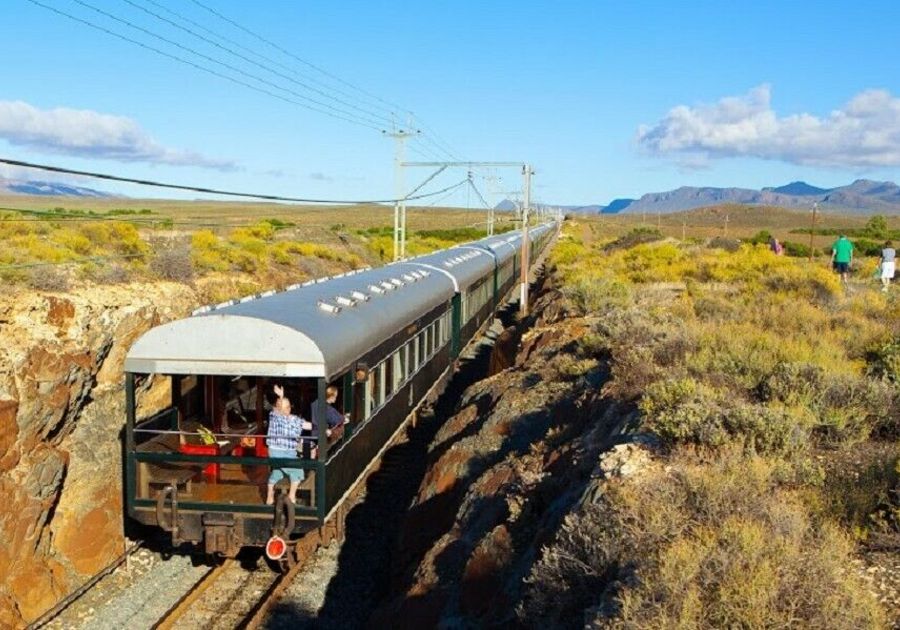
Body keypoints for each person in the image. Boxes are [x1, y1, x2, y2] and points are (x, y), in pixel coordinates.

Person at [265, 384, 312, 505]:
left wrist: (324, 428)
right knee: (297, 471)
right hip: (280, 450)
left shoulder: (294, 419)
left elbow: (308, 425)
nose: (286, 410)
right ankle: (291, 496)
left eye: (287, 407)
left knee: (278, 471)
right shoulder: (276, 417)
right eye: (283, 407)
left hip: (283, 451)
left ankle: (270, 493)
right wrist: (281, 396)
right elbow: (279, 410)